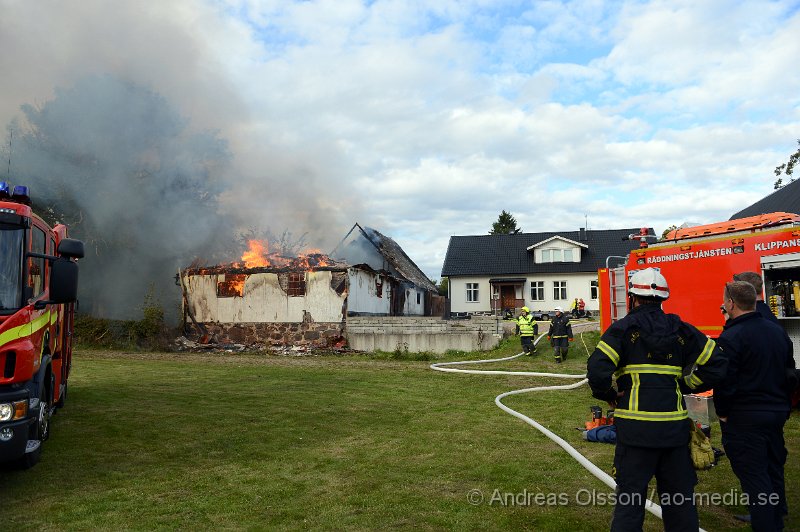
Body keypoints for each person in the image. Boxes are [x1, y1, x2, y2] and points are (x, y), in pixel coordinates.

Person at [586, 268, 727, 531]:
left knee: (630, 504)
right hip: (673, 432)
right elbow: (718, 364)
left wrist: (609, 395)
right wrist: (686, 383)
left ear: (632, 298)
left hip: (635, 433)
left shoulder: (622, 329)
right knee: (680, 504)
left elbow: (597, 370)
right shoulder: (683, 330)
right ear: (662, 299)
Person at [715, 281, 795, 531]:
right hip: (775, 413)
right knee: (772, 468)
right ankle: (776, 518)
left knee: (755, 478)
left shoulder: (731, 336)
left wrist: (723, 413)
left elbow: (725, 381)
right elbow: (790, 372)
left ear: (731, 304)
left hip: (745, 417)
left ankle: (766, 524)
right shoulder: (776, 331)